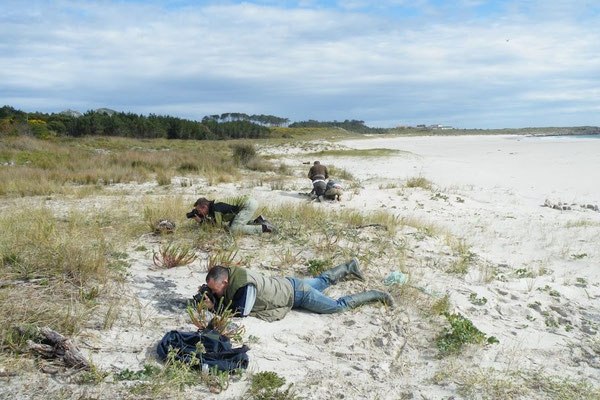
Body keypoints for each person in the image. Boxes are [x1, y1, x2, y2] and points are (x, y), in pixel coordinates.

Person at [200, 259, 393, 322]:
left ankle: (376, 295)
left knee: (337, 306)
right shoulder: (235, 273)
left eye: (214, 288)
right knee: (321, 281)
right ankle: (348, 267)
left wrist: (213, 308)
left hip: (297, 294)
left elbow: (242, 312)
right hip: (288, 284)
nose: (212, 291)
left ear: (225, 281)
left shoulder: (244, 285)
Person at [187, 196, 275, 234]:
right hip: (249, 202)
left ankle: (264, 228)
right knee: (232, 225)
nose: (199, 213)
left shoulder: (215, 208)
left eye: (199, 210)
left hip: (247, 204)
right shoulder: (214, 206)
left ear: (205, 207)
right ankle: (258, 221)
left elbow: (217, 226)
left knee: (234, 229)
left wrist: (202, 221)